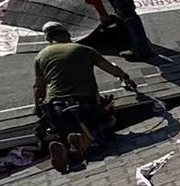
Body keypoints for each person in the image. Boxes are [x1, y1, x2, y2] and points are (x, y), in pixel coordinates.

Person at [33, 22, 137, 172]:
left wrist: (38, 107)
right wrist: (125, 77)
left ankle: (67, 147)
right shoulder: (83, 49)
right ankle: (79, 145)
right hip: (85, 102)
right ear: (68, 35)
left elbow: (39, 87)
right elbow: (110, 68)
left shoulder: (41, 56)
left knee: (64, 128)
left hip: (56, 105)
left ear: (49, 39)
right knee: (101, 126)